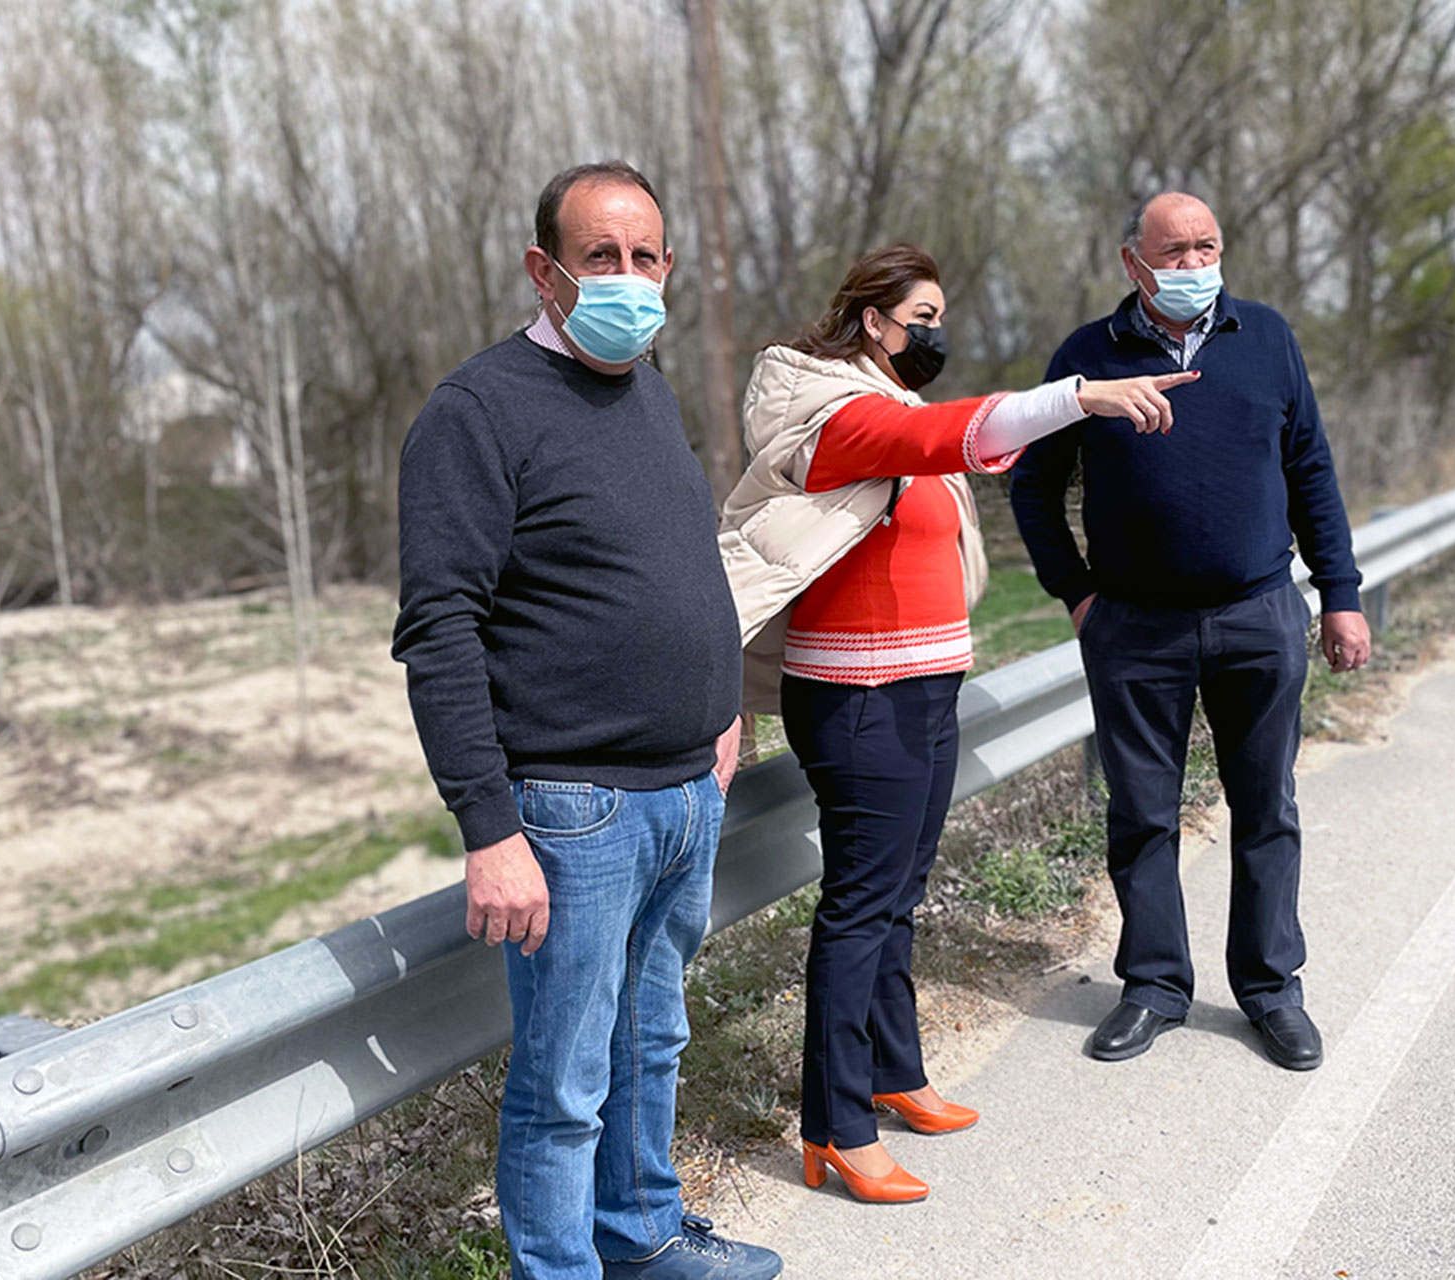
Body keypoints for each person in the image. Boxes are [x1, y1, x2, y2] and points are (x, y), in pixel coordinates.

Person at [718, 244, 1195, 1203]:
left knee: (900, 893)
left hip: (925, 688)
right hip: (861, 696)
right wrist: (1081, 397)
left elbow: (942, 468)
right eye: (922, 319)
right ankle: (835, 1126)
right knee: (861, 905)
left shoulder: (893, 405)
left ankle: (894, 1071)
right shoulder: (836, 414)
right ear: (872, 322)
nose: (937, 334)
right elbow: (950, 436)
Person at [393, 161, 780, 1280]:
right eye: (599, 256)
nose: (627, 276)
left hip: (685, 790)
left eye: (644, 257)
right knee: (563, 1083)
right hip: (571, 810)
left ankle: (643, 1235)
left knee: (651, 1042)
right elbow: (440, 629)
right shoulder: (478, 412)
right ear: (544, 270)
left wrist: (719, 706)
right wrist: (488, 827)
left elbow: (675, 566)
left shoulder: (649, 392)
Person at [1009, 192, 1371, 1073]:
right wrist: (1079, 596)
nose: (1193, 265)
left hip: (1258, 613)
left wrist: (1341, 593)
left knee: (1267, 808)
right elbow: (1032, 483)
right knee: (1141, 814)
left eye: (1206, 246)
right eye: (1174, 252)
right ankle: (1154, 987)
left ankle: (1272, 990)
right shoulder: (1089, 357)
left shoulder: (1267, 338)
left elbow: (1310, 470)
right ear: (1133, 261)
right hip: (1134, 627)